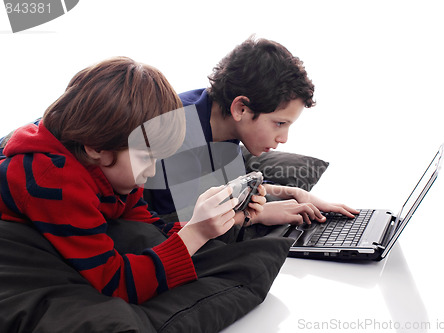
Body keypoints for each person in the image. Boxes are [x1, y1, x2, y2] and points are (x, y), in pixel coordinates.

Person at [0, 57, 266, 304]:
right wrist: (195, 233)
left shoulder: (116, 175)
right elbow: (116, 283)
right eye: (146, 157)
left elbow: (154, 231)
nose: (150, 173)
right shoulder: (55, 182)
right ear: (95, 146)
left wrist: (212, 222)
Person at [145, 37, 358, 227]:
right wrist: (255, 215)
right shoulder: (179, 132)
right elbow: (176, 221)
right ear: (241, 109)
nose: (283, 138)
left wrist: (294, 193)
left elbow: (233, 186)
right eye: (279, 123)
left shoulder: (225, 125)